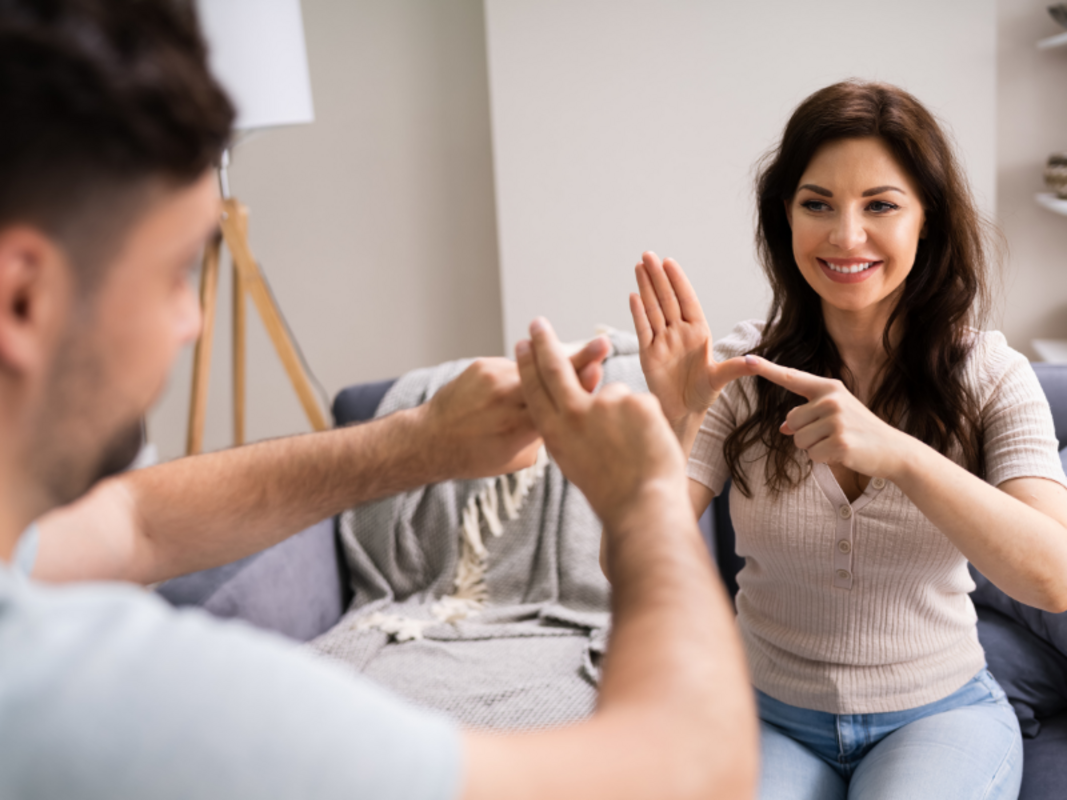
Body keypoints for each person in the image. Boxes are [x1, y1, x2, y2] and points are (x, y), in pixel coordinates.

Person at [0, 1, 758, 798]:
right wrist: (647, 500)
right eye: (177, 273)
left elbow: (135, 522)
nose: (194, 323)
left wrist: (420, 443)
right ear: (25, 299)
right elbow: (696, 768)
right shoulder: (94, 696)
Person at [618, 80, 1067, 799]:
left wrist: (898, 453)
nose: (844, 235)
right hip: (763, 717)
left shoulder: (992, 376)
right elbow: (633, 570)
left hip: (939, 716)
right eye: (816, 203)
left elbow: (1053, 575)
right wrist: (678, 422)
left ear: (928, 220)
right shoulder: (740, 372)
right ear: (784, 218)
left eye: (880, 205)